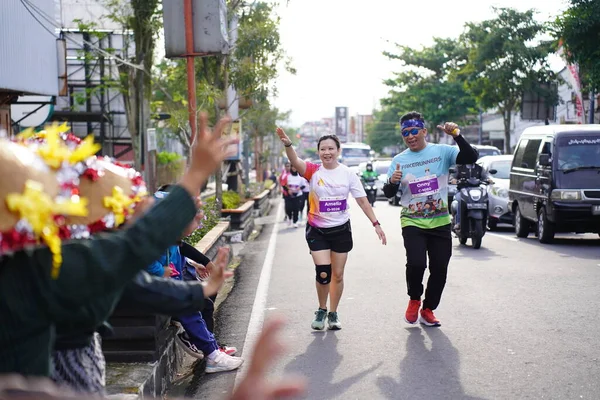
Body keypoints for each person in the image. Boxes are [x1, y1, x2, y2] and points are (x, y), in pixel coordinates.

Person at [0, 113, 237, 376]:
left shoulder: (40, 258)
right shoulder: (50, 264)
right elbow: (136, 246)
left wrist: (200, 290)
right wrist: (195, 174)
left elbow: (137, 282)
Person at [276, 128, 387, 331]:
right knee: (324, 272)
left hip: (341, 230)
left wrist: (376, 224)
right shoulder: (312, 171)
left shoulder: (348, 174)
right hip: (317, 230)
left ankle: (334, 313)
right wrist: (288, 145)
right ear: (318, 151)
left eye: (331, 148)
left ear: (338, 150)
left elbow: (362, 201)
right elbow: (296, 161)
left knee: (338, 275)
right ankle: (321, 309)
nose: (327, 152)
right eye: (323, 149)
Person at [383, 111, 478, 327]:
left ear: (424, 131)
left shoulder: (442, 152)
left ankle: (428, 309)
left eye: (414, 131)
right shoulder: (399, 160)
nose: (410, 136)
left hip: (440, 221)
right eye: (405, 133)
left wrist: (457, 136)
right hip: (412, 221)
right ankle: (414, 298)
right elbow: (388, 192)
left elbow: (470, 158)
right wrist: (393, 181)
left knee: (440, 268)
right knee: (416, 263)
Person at [451, 163, 493, 230]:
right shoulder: (459, 168)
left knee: (486, 199)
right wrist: (453, 180)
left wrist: (489, 180)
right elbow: (452, 177)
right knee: (459, 201)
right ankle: (458, 222)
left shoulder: (479, 168)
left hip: (476, 190)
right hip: (462, 190)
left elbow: (486, 176)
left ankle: (485, 222)